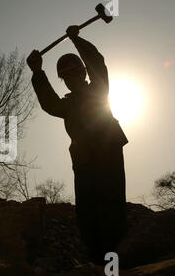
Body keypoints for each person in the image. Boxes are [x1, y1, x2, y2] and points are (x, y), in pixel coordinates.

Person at [27, 26, 129, 264]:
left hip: (107, 157)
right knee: (87, 212)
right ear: (64, 80)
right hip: (84, 162)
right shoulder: (67, 106)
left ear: (83, 73)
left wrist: (77, 41)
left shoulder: (98, 90)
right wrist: (37, 72)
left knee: (111, 207)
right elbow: (48, 102)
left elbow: (98, 63)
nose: (71, 78)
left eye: (74, 73)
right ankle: (96, 264)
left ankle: (115, 265)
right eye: (67, 75)